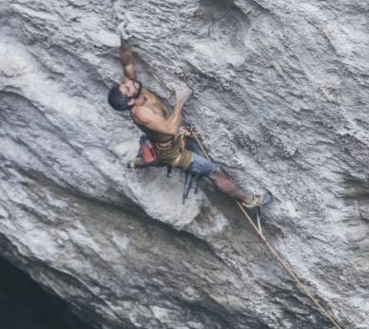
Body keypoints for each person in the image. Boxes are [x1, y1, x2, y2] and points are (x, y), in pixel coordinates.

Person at [107, 23, 272, 209]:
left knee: (157, 157)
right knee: (214, 172)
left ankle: (137, 162)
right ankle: (251, 201)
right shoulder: (142, 114)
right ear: (129, 102)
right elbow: (170, 129)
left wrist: (123, 39)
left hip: (163, 139)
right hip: (172, 151)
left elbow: (127, 62)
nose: (130, 83)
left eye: (126, 84)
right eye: (128, 88)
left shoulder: (131, 89)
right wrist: (179, 101)